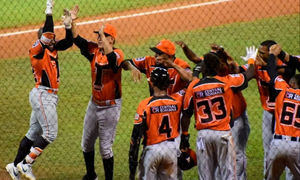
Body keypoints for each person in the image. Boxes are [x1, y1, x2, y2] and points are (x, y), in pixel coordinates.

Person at [5, 1, 73, 180]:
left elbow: (68, 42)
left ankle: (13, 166)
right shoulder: (37, 50)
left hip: (45, 96)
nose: (54, 39)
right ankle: (26, 164)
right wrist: (49, 10)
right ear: (45, 38)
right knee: (50, 133)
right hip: (43, 94)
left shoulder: (52, 48)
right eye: (51, 37)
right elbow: (49, 31)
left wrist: (68, 25)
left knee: (33, 133)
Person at [70, 7, 141, 180]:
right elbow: (77, 40)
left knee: (105, 148)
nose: (98, 38)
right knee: (86, 143)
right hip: (94, 105)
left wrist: (130, 66)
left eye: (102, 35)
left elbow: (116, 62)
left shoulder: (117, 53)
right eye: (98, 35)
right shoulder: (94, 51)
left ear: (112, 39)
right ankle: (91, 175)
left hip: (110, 108)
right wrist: (72, 22)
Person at [176, 41, 250, 179]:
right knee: (228, 173)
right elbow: (247, 76)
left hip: (204, 135)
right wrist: (253, 61)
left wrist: (185, 137)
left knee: (205, 175)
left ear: (203, 69)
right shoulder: (226, 81)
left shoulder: (193, 86)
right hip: (223, 133)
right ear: (217, 68)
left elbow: (186, 115)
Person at [241, 40, 299, 179]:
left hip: (281, 117)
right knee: (269, 151)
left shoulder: (284, 67)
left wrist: (268, 61)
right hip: (270, 113)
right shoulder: (261, 65)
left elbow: (287, 70)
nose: (258, 55)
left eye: (262, 52)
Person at [129, 67, 184, 180]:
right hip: (171, 149)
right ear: (168, 84)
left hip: (152, 150)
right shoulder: (176, 103)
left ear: (152, 83)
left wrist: (132, 165)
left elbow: (136, 136)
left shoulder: (145, 104)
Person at [264, 44, 300, 179]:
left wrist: (272, 55)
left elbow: (271, 72)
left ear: (293, 84)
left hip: (278, 144)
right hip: (297, 145)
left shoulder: (283, 90)